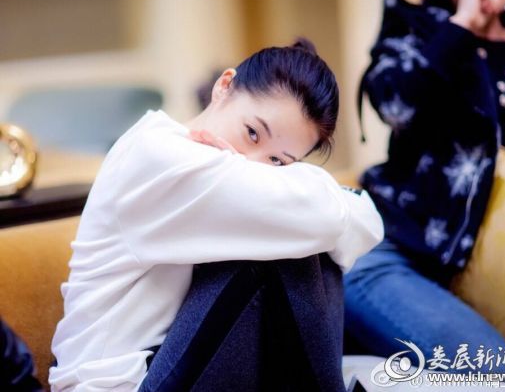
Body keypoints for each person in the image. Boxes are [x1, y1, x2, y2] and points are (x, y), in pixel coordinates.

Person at [49, 39, 384, 391]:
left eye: (277, 161)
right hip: (114, 385)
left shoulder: (192, 157)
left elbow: (366, 221)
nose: (251, 163)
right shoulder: (159, 156)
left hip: (163, 363)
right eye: (252, 133)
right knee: (287, 238)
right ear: (224, 86)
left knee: (290, 231)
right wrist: (287, 185)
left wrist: (279, 186)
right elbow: (333, 219)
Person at [345, 0, 505, 374]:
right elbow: (395, 104)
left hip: (481, 270)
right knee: (497, 373)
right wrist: (463, 25)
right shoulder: (412, 29)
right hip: (389, 249)